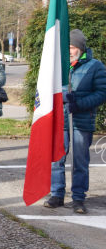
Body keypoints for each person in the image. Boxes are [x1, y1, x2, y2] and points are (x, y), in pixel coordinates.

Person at [44, 29, 106, 214]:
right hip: (60, 121)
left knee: (80, 161)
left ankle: (78, 197)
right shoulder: (58, 66)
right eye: (67, 48)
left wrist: (78, 104)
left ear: (81, 47)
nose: (69, 51)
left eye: (72, 47)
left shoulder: (95, 66)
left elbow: (101, 93)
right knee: (57, 159)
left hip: (82, 121)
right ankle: (57, 194)